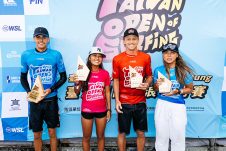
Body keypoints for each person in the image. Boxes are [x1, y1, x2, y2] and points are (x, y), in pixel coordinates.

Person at [20, 27, 67, 151]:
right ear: (34, 38)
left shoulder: (56, 55)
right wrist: (29, 92)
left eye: (44, 37)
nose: (41, 40)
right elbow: (23, 77)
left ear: (48, 39)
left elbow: (63, 77)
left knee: (52, 133)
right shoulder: (26, 55)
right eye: (38, 37)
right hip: (35, 101)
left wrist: (50, 90)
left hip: (51, 100)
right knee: (36, 134)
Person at [112, 28, 152, 151]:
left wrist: (147, 83)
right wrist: (117, 100)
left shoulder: (145, 57)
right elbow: (116, 80)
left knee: (140, 133)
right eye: (128, 39)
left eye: (134, 39)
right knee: (122, 133)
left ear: (138, 40)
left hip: (140, 101)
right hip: (124, 101)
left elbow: (149, 76)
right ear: (123, 41)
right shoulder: (117, 59)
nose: (131, 41)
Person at [153, 43, 194, 151]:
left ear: (177, 55)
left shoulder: (183, 71)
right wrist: (156, 86)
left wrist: (178, 91)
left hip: (178, 106)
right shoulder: (158, 70)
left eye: (172, 53)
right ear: (163, 55)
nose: (169, 55)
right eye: (166, 53)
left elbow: (190, 89)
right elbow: (155, 89)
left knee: (178, 137)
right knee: (161, 136)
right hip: (162, 104)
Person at [73, 47, 111, 151]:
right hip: (87, 110)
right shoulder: (83, 72)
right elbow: (76, 92)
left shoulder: (105, 74)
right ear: (89, 58)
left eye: (100, 56)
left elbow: (107, 92)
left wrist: (109, 109)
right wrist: (77, 83)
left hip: (101, 110)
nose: (97, 58)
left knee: (101, 137)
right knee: (86, 138)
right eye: (94, 55)